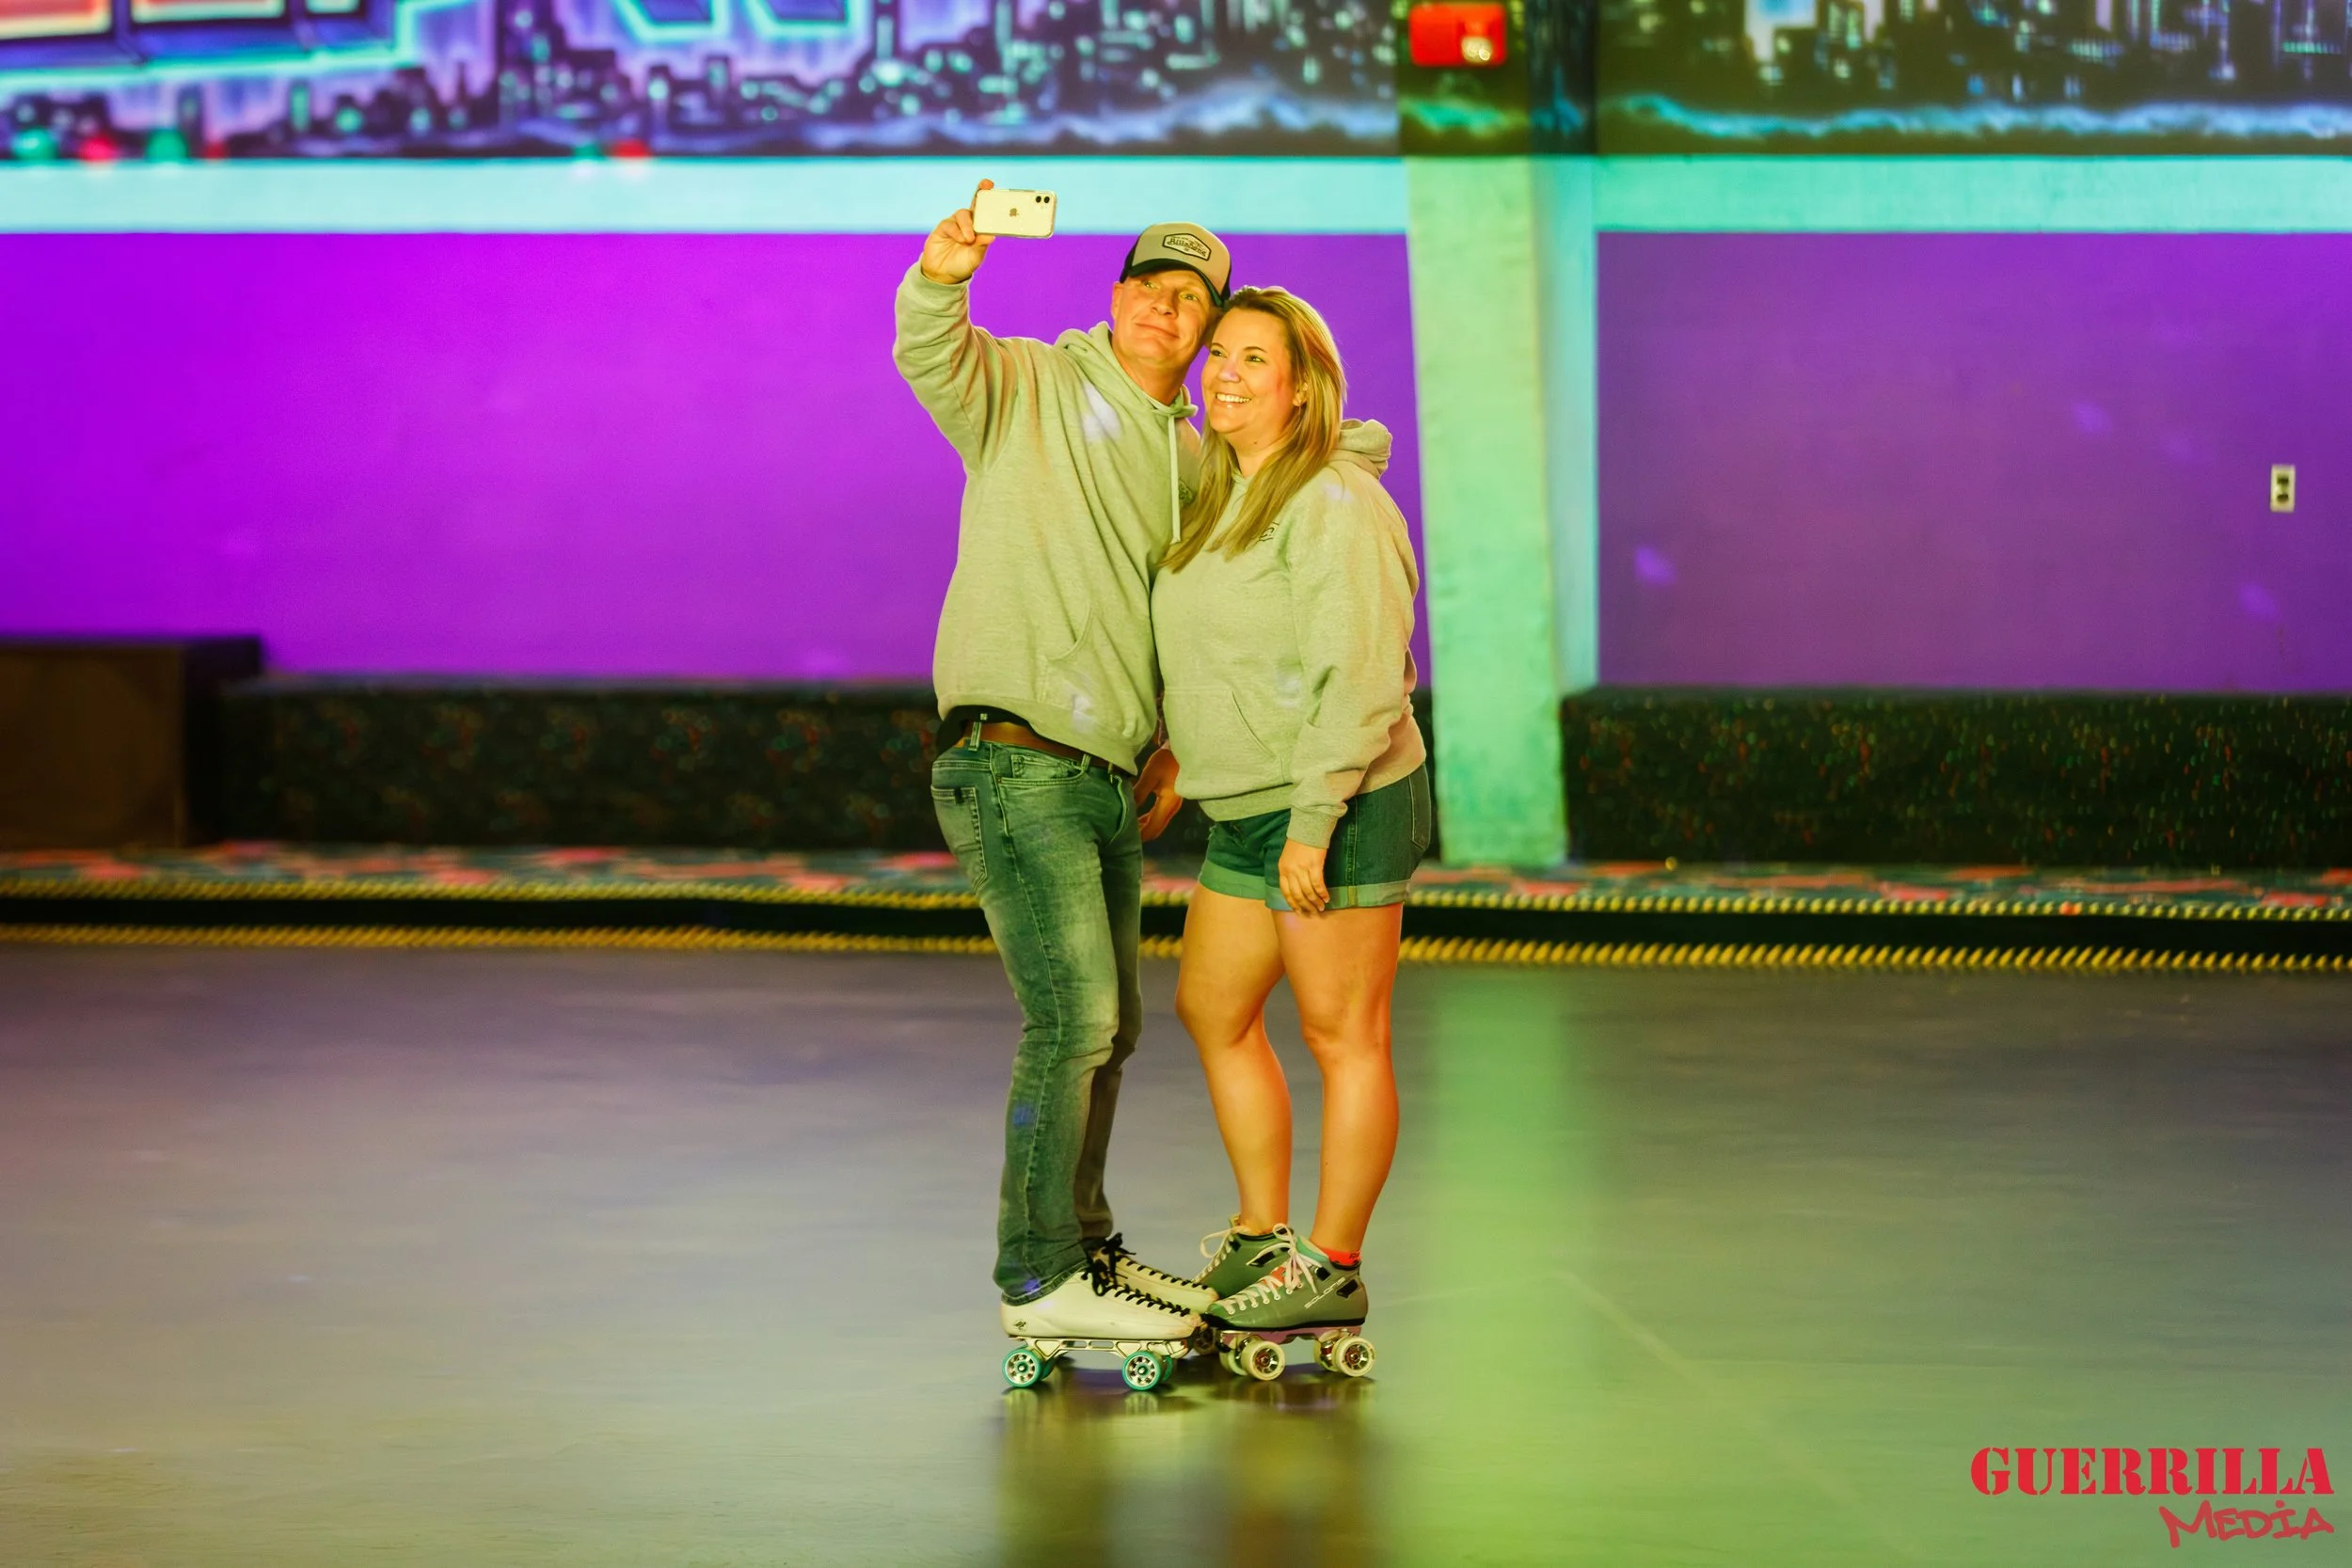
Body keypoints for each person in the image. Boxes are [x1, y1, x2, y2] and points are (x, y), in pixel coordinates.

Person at [895, 182, 1233, 1343]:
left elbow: (1183, 616)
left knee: (1109, 1025)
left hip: (1103, 774)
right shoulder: (1030, 383)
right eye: (1151, 283)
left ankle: (1086, 1245)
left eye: (1191, 296)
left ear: (1206, 328)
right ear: (1116, 297)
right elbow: (929, 352)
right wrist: (947, 269)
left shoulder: (1195, 463)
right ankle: (1038, 1278)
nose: (1165, 305)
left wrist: (1175, 741)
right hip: (1012, 756)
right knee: (1071, 1019)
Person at [1151, 286, 1429, 1338]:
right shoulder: (1226, 489)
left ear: (1302, 385)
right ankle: (1263, 1234)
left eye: (1253, 358)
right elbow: (1227, 653)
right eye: (1218, 353)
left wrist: (1315, 817)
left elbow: (1360, 679)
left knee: (1341, 1031)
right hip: (1248, 800)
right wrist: (1185, 750)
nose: (1223, 370)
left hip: (1340, 794)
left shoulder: (1330, 503)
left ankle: (1333, 1263)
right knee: (1212, 1010)